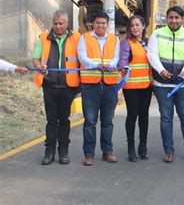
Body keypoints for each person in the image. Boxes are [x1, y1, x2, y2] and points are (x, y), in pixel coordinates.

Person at [148, 6, 184, 163]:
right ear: (166, 18)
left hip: (183, 86)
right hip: (162, 85)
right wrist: (162, 71)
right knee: (166, 118)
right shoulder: (157, 35)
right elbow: (152, 55)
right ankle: (168, 151)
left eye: (177, 18)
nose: (174, 20)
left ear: (182, 19)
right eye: (171, 17)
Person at [32, 10, 80, 165]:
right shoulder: (44, 38)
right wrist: (39, 67)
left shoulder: (76, 38)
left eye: (61, 23)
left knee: (64, 120)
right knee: (51, 120)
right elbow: (36, 58)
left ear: (67, 23)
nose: (58, 26)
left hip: (68, 86)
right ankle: (49, 152)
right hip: (50, 85)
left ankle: (63, 152)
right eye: (55, 23)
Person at [78, 11, 120, 166]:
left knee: (107, 121)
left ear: (107, 25)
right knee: (90, 121)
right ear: (93, 24)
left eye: (103, 23)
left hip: (109, 85)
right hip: (90, 85)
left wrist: (111, 65)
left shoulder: (114, 39)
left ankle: (107, 152)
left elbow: (116, 57)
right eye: (98, 23)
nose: (101, 25)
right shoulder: (85, 38)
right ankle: (89, 155)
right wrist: (97, 65)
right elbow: (82, 57)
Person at [118, 15, 152, 162]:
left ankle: (142, 146)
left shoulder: (148, 42)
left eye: (137, 25)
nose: (135, 28)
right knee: (132, 115)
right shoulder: (126, 43)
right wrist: (123, 66)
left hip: (146, 86)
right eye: (132, 26)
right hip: (131, 86)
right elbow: (123, 59)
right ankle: (131, 148)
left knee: (144, 115)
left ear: (143, 26)